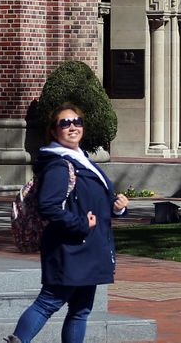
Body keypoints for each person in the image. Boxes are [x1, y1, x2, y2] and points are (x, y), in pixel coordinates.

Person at [7, 104, 128, 343]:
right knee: (48, 302)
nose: (72, 127)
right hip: (69, 247)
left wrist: (118, 207)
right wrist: (80, 224)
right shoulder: (59, 165)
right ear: (53, 131)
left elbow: (94, 203)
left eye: (77, 121)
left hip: (88, 247)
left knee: (80, 310)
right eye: (65, 123)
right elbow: (48, 207)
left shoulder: (81, 159)